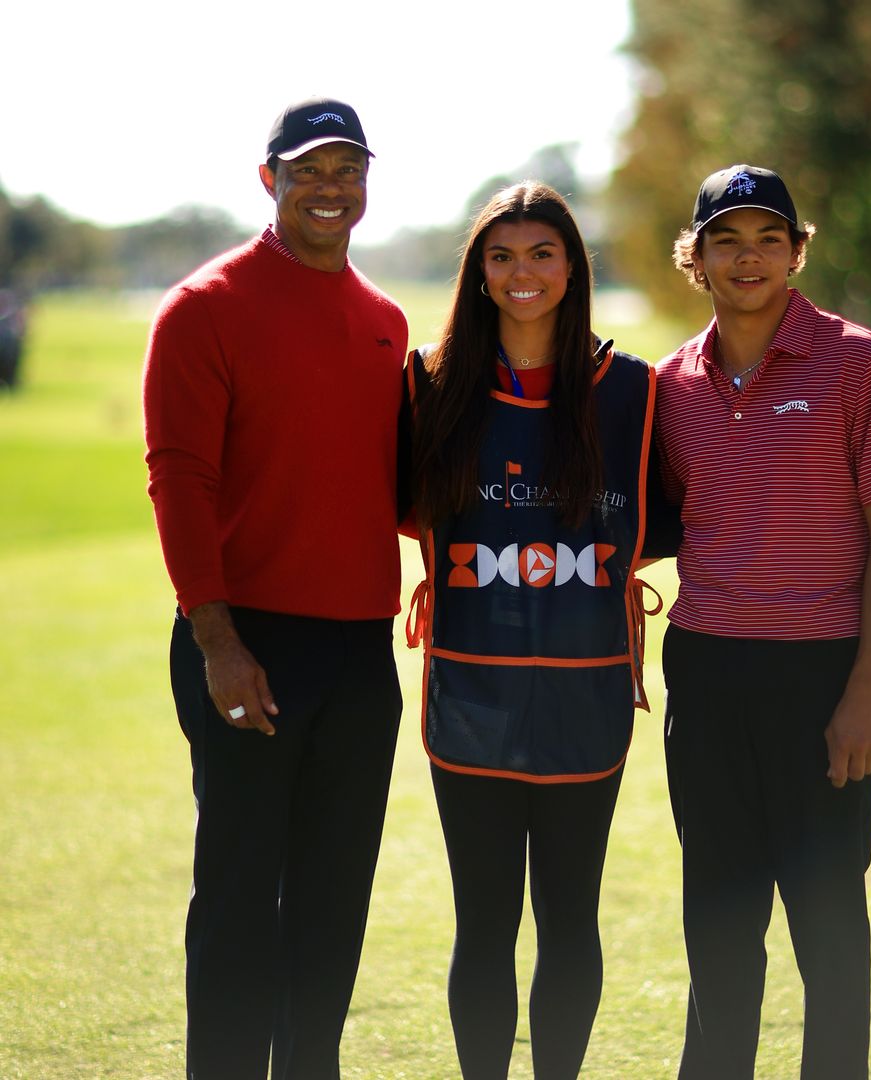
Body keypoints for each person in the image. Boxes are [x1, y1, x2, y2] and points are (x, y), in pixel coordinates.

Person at [142, 97, 407, 1080]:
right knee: (243, 896)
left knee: (335, 898)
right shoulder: (205, 306)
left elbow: (394, 480)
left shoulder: (385, 319)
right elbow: (179, 477)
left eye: (348, 170)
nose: (330, 188)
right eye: (309, 170)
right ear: (270, 181)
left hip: (359, 650)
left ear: (367, 183)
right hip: (246, 640)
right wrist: (216, 641)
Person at [653, 164, 871, 1079]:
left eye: (769, 238)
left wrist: (864, 689)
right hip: (705, 676)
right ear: (695, 259)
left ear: (797, 250)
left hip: (821, 678)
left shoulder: (860, 360)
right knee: (719, 924)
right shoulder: (672, 384)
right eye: (726, 240)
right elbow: (643, 528)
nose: (749, 258)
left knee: (827, 928)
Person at [403, 181, 673, 1079]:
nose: (524, 273)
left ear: (573, 266)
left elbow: (666, 520)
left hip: (583, 694)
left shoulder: (631, 389)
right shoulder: (429, 381)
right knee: (482, 923)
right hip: (468, 695)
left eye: (543, 253)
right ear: (478, 271)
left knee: (570, 917)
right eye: (502, 255)